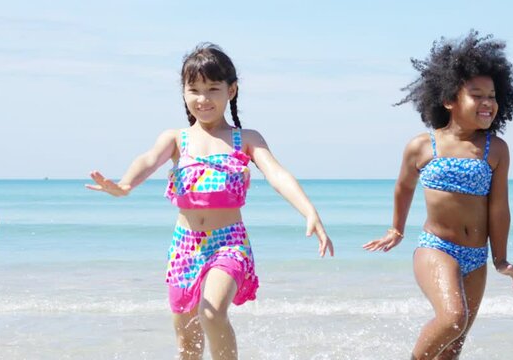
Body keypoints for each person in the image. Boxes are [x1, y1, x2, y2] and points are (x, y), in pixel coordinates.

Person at [86, 43, 334, 360]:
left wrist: (309, 211)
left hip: (229, 242)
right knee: (187, 344)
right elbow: (147, 161)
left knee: (212, 312)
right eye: (194, 90)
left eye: (213, 89)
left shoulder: (246, 139)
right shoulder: (176, 139)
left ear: (231, 90)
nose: (203, 99)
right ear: (184, 93)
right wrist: (123, 185)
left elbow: (276, 173)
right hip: (185, 246)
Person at [363, 31, 513, 359]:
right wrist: (396, 229)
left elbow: (499, 208)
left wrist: (501, 259)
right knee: (453, 319)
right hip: (437, 249)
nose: (487, 103)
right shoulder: (423, 146)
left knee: (453, 346)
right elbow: (404, 187)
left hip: (476, 257)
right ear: (449, 99)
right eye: (477, 95)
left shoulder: (495, 149)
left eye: (492, 96)